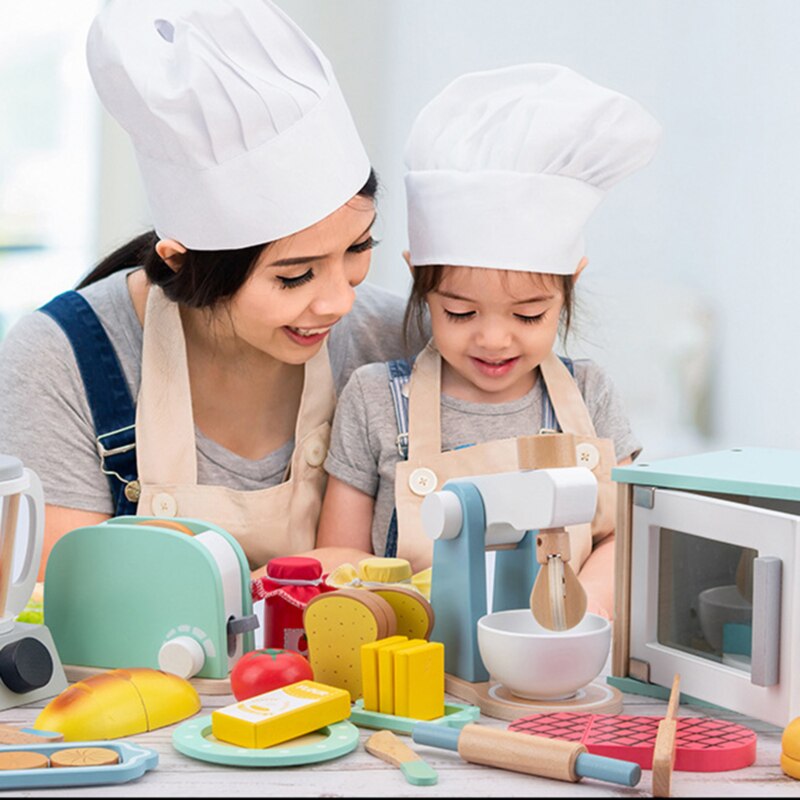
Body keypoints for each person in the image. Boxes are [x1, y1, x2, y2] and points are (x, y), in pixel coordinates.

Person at [0, 0, 426, 578]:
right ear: (181, 262)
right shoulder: (58, 361)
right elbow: (63, 606)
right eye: (294, 275)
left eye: (358, 248)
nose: (339, 300)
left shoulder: (402, 343)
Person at [316, 63, 662, 617]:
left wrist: (587, 612)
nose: (494, 340)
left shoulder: (589, 394)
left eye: (528, 316)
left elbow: (623, 536)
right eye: (460, 311)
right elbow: (342, 557)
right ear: (420, 282)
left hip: (557, 655)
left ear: (569, 284)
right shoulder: (375, 399)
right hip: (415, 662)